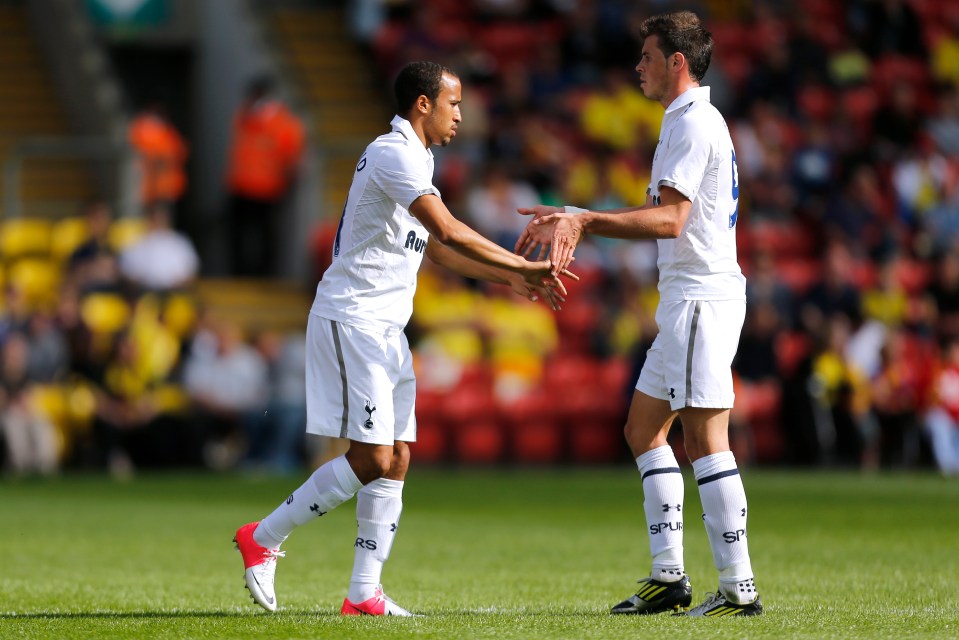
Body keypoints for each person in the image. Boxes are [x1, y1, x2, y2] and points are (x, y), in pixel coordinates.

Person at [233, 61, 573, 617]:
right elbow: (446, 229)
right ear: (422, 104)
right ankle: (263, 536)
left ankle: (364, 592)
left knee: (397, 459)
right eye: (454, 103)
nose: (461, 114)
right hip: (354, 318)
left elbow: (434, 250)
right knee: (371, 458)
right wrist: (521, 262)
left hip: (386, 327)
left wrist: (510, 279)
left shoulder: (419, 159)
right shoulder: (394, 154)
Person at [516, 11, 763, 617]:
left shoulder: (693, 122)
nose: (639, 67)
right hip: (689, 297)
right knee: (642, 430)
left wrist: (584, 217)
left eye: (648, 57)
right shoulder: (691, 120)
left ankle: (738, 588)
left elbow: (672, 220)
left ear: (677, 62)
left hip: (702, 297)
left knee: (706, 438)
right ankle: (670, 578)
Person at [224, 75, 306, 277]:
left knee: (266, 235)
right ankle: (240, 273)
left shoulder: (283, 122)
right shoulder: (245, 116)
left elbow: (292, 157)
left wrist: (287, 182)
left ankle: (265, 275)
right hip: (241, 184)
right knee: (238, 234)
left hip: (268, 188)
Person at [128, 99, 189, 213]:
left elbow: (180, 152)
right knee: (151, 214)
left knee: (162, 213)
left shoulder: (167, 132)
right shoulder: (144, 129)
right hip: (152, 185)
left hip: (163, 186)